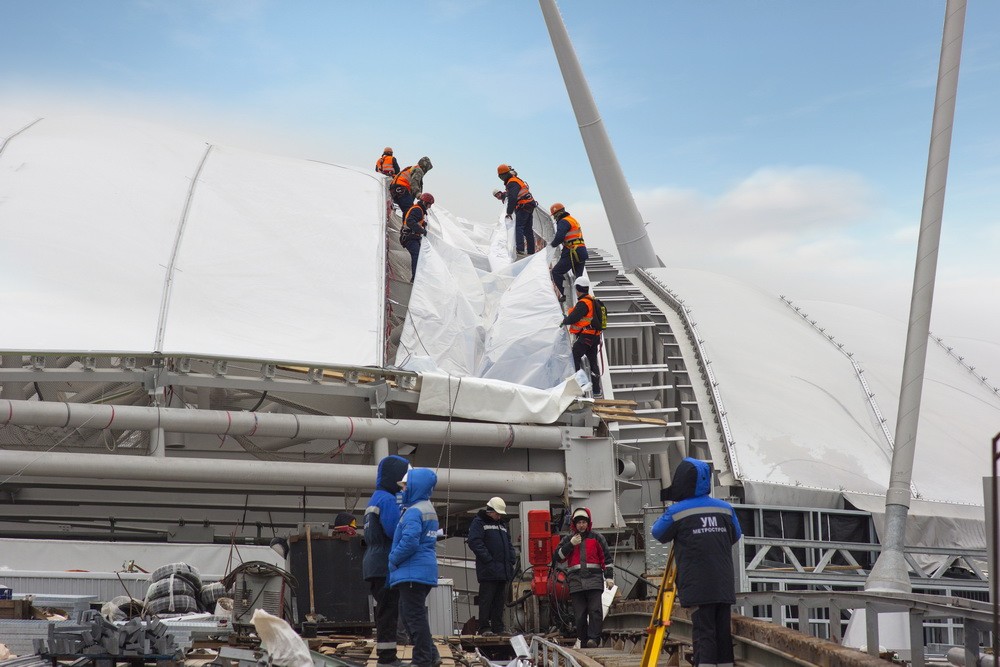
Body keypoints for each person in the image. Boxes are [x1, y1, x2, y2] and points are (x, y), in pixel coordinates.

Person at [651, 458, 743, 667]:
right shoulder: (725, 509)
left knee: (704, 635)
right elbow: (735, 535)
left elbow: (657, 533)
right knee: (723, 634)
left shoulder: (678, 512)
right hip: (723, 583)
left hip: (697, 584)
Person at [389, 467, 441, 667]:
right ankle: (431, 655)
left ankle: (422, 660)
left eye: (405, 486)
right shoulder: (427, 507)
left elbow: (409, 541)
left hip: (412, 571)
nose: (402, 491)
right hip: (421, 570)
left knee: (413, 617)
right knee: (412, 614)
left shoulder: (413, 512)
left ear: (414, 487)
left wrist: (393, 559)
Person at [363, 455, 410, 667]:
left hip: (373, 562)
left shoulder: (376, 497)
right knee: (389, 611)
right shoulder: (388, 500)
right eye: (402, 478)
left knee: (384, 610)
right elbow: (394, 530)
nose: (403, 484)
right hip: (384, 564)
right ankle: (387, 658)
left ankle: (386, 655)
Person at [553, 507, 614, 649]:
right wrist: (570, 545)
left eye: (584, 522)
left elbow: (607, 559)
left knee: (595, 611)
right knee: (579, 615)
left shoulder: (597, 538)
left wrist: (609, 577)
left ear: (588, 523)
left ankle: (593, 639)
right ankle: (583, 640)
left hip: (594, 580)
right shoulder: (569, 539)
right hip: (576, 582)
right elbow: (558, 557)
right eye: (579, 522)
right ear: (575, 524)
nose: (582, 525)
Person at [466, 497, 517, 636]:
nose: (499, 516)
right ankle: (484, 627)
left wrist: (511, 559)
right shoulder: (479, 523)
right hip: (489, 570)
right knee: (486, 600)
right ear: (490, 511)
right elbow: (474, 541)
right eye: (498, 513)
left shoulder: (502, 524)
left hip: (502, 570)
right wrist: (488, 560)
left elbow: (508, 544)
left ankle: (497, 628)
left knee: (499, 601)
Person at [560, 276, 603, 397]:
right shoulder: (593, 301)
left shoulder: (583, 303)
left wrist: (564, 321)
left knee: (574, 356)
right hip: (594, 337)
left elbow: (573, 318)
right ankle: (596, 389)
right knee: (593, 361)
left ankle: (579, 387)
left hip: (586, 336)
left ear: (578, 289)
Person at [548, 203, 589, 302]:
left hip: (572, 251)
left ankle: (566, 295)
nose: (554, 218)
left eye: (554, 215)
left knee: (556, 272)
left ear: (557, 214)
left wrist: (551, 246)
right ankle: (584, 299)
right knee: (578, 277)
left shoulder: (563, 222)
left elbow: (559, 237)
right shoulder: (572, 219)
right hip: (581, 251)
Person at [497, 164, 537, 256]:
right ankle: (531, 252)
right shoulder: (516, 179)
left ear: (503, 175)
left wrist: (509, 212)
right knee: (528, 230)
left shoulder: (512, 182)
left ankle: (520, 249)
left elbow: (513, 198)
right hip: (529, 205)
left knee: (519, 227)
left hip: (524, 206)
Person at [400, 193, 435, 282]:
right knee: (417, 255)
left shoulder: (419, 210)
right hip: (409, 237)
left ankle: (417, 276)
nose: (429, 207)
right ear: (424, 202)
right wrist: (422, 230)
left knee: (420, 255)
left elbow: (414, 220)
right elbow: (410, 221)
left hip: (411, 237)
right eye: (429, 205)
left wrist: (422, 223)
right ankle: (415, 278)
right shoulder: (418, 210)